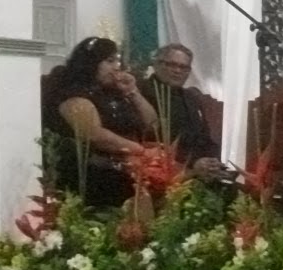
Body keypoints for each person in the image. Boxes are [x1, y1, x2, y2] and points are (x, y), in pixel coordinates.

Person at [41, 36, 159, 207]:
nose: (117, 67)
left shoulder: (115, 92)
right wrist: (142, 152)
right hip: (96, 173)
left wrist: (133, 92)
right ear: (91, 63)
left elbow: (152, 124)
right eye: (110, 61)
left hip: (130, 165)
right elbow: (95, 136)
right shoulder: (74, 94)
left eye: (118, 61)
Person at [141, 43, 224, 181]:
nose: (177, 71)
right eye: (172, 65)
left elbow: (204, 137)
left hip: (198, 170)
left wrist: (212, 160)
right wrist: (193, 163)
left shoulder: (191, 97)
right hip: (161, 171)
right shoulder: (142, 93)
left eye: (184, 67)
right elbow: (154, 140)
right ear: (156, 64)